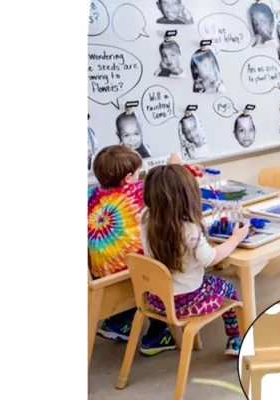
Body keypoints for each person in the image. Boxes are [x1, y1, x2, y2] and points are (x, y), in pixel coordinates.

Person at [89, 146, 190, 356]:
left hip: (98, 275)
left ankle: (119, 322)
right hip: (129, 275)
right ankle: (158, 334)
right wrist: (174, 163)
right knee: (166, 260)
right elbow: (169, 182)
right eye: (136, 173)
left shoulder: (92, 195)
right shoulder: (136, 192)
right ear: (128, 178)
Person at [140, 164, 249, 356]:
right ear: (187, 195)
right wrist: (235, 239)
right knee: (228, 288)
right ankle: (235, 339)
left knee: (207, 282)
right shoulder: (188, 229)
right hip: (185, 303)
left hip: (156, 299)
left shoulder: (145, 217)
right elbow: (211, 259)